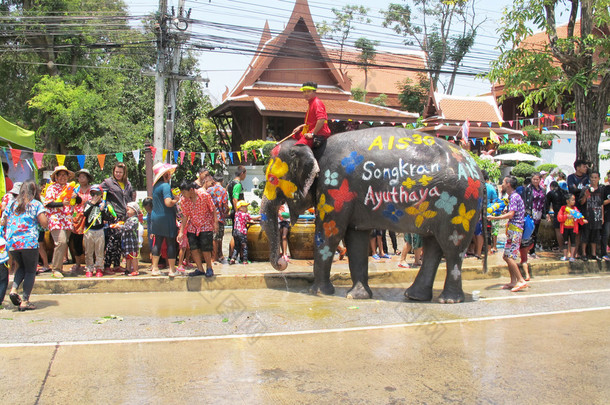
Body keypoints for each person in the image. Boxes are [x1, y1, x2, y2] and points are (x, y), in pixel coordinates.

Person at [2, 181, 48, 311]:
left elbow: (3, 221)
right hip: (28, 242)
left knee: (20, 266)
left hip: (12, 242)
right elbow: (44, 222)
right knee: (30, 271)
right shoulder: (35, 204)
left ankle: (13, 290)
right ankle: (25, 301)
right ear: (34, 191)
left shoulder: (11, 204)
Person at [487, 176, 528, 292]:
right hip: (512, 230)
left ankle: (521, 280)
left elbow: (511, 215)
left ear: (509, 184)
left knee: (509, 257)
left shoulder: (514, 197)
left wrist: (496, 217)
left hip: (515, 230)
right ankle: (513, 281)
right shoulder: (512, 197)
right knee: (506, 256)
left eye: (504, 182)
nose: (502, 185)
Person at [178, 181, 218, 277]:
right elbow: (185, 216)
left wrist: (215, 223)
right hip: (192, 226)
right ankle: (200, 268)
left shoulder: (204, 195)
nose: (183, 195)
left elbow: (213, 209)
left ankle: (209, 267)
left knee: (206, 248)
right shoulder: (184, 200)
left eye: (184, 192)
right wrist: (181, 232)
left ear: (191, 190)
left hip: (205, 225)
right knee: (194, 248)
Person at [101, 162, 135, 273]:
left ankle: (116, 264)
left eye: (120, 172)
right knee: (112, 240)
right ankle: (107, 265)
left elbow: (131, 196)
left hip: (125, 215)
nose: (118, 174)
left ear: (124, 173)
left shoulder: (128, 184)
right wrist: (105, 204)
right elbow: (98, 191)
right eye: (116, 172)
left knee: (121, 240)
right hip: (114, 215)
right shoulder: (108, 182)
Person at [43, 165, 76, 278]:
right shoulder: (52, 188)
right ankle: (56, 269)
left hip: (67, 219)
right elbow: (48, 203)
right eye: (60, 175)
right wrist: (62, 203)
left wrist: (76, 197)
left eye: (64, 175)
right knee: (61, 241)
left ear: (68, 176)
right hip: (55, 219)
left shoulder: (70, 187)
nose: (62, 177)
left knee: (64, 243)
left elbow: (77, 201)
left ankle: (60, 268)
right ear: (56, 177)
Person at [150, 163, 179, 276]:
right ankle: (172, 270)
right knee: (170, 243)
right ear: (165, 174)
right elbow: (168, 203)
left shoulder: (156, 186)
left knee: (157, 242)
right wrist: (176, 200)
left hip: (156, 216)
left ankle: (155, 268)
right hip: (166, 217)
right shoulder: (166, 186)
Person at [290, 81, 331, 153]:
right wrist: (300, 127)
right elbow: (311, 122)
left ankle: (312, 164)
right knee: (295, 135)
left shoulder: (317, 103)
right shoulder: (311, 103)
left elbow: (321, 119)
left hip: (319, 133)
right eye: (304, 92)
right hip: (310, 130)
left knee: (298, 149)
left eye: (308, 91)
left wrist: (312, 134)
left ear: (314, 92)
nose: (306, 94)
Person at [69, 168, 93, 274]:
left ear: (88, 178)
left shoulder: (92, 189)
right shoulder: (75, 189)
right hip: (77, 217)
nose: (81, 179)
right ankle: (77, 263)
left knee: (89, 241)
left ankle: (90, 263)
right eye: (80, 177)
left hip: (89, 216)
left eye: (84, 176)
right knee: (76, 241)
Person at [82, 185, 107, 278]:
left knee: (99, 250)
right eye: (93, 194)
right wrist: (92, 204)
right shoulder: (88, 203)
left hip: (99, 230)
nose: (95, 196)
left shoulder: (103, 204)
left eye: (97, 194)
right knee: (89, 251)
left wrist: (103, 209)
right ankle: (89, 267)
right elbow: (85, 214)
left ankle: (99, 267)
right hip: (89, 230)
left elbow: (107, 217)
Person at [578, 171, 603, 261]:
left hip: (597, 216)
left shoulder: (601, 190)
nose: (593, 179)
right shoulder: (585, 188)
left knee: (595, 236)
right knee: (585, 236)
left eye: (595, 178)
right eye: (592, 177)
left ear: (598, 179)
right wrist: (585, 196)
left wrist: (602, 217)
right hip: (587, 216)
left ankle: (594, 254)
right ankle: (584, 254)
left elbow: (602, 204)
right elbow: (581, 202)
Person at [522, 172, 546, 258]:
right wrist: (527, 212)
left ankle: (533, 251)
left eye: (537, 179)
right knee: (529, 233)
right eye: (534, 179)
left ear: (540, 180)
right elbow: (524, 201)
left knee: (535, 233)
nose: (535, 181)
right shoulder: (528, 189)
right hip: (530, 214)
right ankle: (526, 251)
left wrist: (545, 213)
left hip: (538, 213)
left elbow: (544, 201)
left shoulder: (542, 189)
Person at [557, 193, 587, 261]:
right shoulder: (563, 208)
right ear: (568, 201)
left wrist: (583, 220)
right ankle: (565, 255)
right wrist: (567, 216)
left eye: (574, 200)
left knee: (573, 242)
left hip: (573, 228)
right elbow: (559, 218)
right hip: (565, 228)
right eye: (572, 200)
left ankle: (572, 256)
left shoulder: (575, 208)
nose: (574, 201)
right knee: (565, 242)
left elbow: (579, 217)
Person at [207, 173, 229, 263]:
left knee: (213, 238)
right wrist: (226, 212)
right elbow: (225, 205)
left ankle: (215, 256)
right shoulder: (223, 191)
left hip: (209, 217)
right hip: (219, 217)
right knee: (218, 238)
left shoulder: (209, 190)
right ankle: (215, 257)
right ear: (222, 181)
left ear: (214, 181)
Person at [545, 181, 568, 252]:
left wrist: (547, 213)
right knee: (566, 230)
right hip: (566, 213)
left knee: (558, 230)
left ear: (551, 187)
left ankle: (561, 247)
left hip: (557, 213)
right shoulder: (565, 192)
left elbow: (547, 204)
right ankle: (567, 248)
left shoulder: (551, 193)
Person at [230, 200, 256, 264]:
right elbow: (252, 218)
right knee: (244, 246)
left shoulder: (236, 214)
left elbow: (243, 220)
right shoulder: (245, 214)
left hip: (235, 232)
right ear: (240, 208)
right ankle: (245, 260)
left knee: (237, 247)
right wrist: (260, 216)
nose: (246, 208)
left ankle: (233, 259)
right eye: (245, 207)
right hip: (241, 232)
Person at [121, 202, 142, 277]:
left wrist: (120, 226)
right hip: (127, 241)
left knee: (133, 256)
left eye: (128, 210)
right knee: (128, 256)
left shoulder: (134, 219)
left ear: (134, 210)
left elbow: (129, 228)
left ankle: (135, 270)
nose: (127, 212)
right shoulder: (129, 219)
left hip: (132, 241)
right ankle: (128, 269)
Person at [484, 171, 499, 253]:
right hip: (489, 212)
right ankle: (489, 250)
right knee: (488, 232)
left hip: (481, 212)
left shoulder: (479, 186)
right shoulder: (491, 187)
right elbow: (495, 200)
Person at [602, 171, 610, 260]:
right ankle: (604, 253)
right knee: (606, 234)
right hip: (607, 216)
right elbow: (601, 203)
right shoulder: (605, 189)